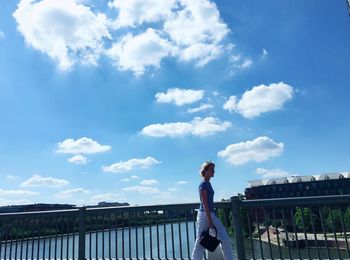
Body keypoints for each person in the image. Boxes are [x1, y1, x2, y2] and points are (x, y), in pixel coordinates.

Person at [191, 161, 234, 260]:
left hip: (210, 214)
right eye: (211, 169)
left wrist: (211, 218)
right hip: (205, 215)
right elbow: (204, 203)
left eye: (213, 169)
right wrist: (210, 221)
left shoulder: (207, 184)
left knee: (225, 239)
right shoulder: (203, 184)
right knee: (200, 243)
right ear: (205, 171)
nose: (213, 171)